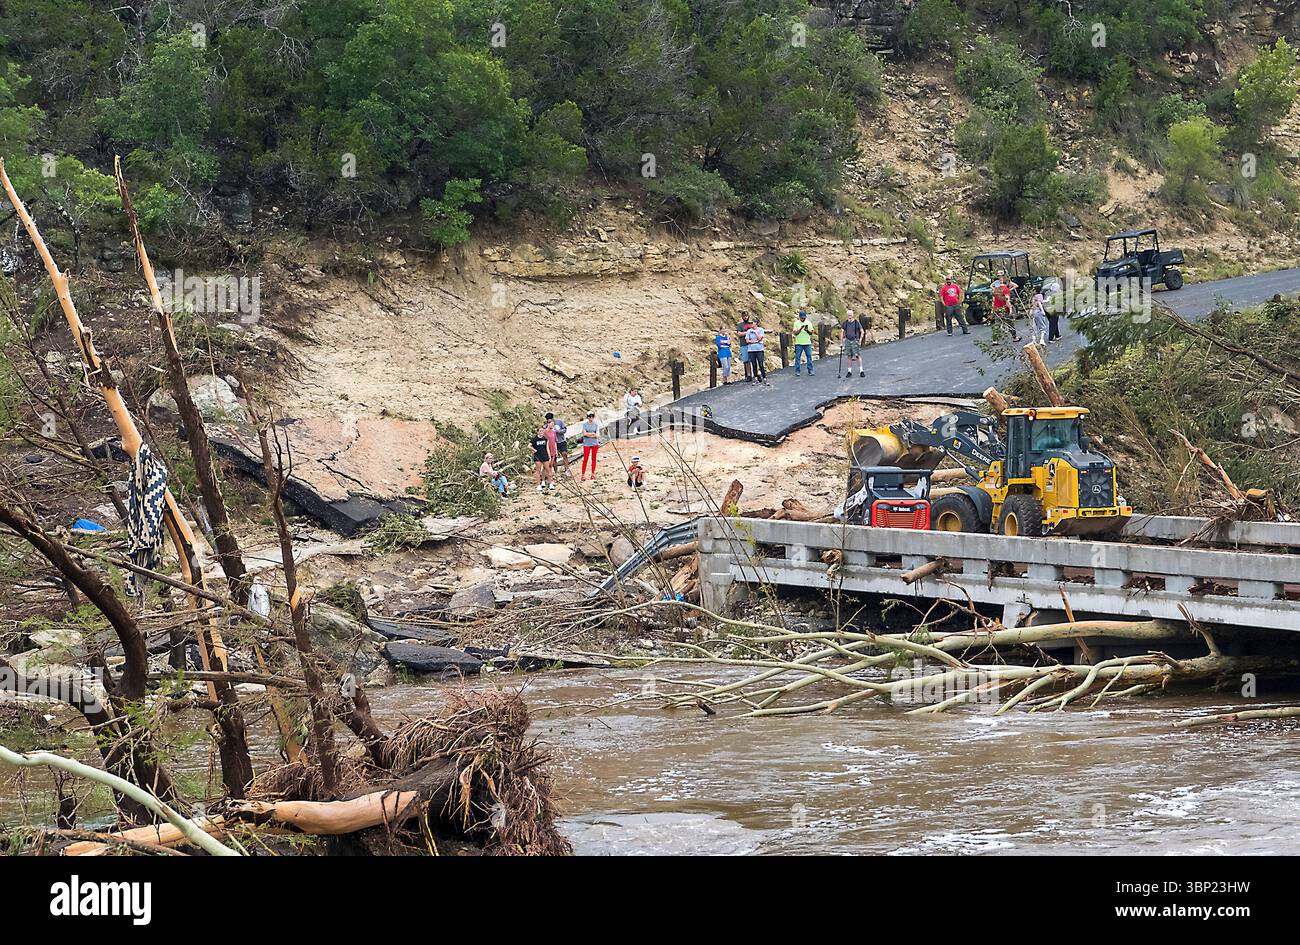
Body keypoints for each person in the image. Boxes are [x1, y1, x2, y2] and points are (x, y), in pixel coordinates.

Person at [842, 310, 865, 378]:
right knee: (849, 356)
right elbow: (842, 332)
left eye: (850, 315)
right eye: (848, 315)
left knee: (857, 355)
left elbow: (862, 331)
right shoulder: (845, 323)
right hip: (848, 341)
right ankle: (849, 371)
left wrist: (860, 340)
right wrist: (842, 342)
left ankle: (861, 371)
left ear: (852, 315)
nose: (849, 316)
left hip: (855, 340)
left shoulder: (856, 322)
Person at [792, 309, 815, 376]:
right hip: (798, 343)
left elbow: (811, 332)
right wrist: (800, 329)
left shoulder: (808, 322)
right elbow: (795, 333)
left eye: (804, 318)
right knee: (798, 357)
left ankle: (810, 370)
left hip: (807, 343)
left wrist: (807, 330)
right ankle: (797, 371)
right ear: (799, 317)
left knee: (809, 357)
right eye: (802, 318)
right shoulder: (796, 323)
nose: (803, 319)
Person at [531, 425, 553, 492]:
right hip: (537, 456)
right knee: (538, 471)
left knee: (548, 469)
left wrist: (549, 455)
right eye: (540, 431)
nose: (541, 432)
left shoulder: (545, 439)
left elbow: (547, 447)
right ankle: (538, 485)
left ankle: (550, 483)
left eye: (542, 431)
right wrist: (533, 450)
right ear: (537, 432)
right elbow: (529, 446)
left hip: (544, 456)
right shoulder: (534, 439)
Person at [745, 319, 768, 383]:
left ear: (756, 323)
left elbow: (759, 339)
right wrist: (754, 342)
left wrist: (755, 332)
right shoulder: (748, 331)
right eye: (749, 323)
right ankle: (756, 378)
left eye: (752, 323)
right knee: (754, 364)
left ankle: (764, 377)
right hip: (751, 350)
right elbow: (747, 341)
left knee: (761, 364)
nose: (750, 324)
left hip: (759, 349)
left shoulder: (760, 330)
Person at [580, 410, 599, 480]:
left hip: (594, 443)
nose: (591, 418)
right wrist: (592, 434)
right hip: (587, 444)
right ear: (587, 417)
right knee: (585, 459)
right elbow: (584, 434)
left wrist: (588, 434)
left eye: (592, 416)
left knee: (593, 458)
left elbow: (597, 435)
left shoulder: (596, 425)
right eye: (589, 416)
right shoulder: (584, 425)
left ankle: (593, 474)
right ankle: (583, 474)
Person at [737, 315, 754, 382]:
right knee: (746, 360)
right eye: (744, 316)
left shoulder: (751, 324)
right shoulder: (740, 325)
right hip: (744, 344)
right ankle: (748, 375)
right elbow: (739, 334)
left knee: (754, 359)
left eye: (746, 316)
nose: (745, 317)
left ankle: (755, 373)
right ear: (742, 317)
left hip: (752, 344)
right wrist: (747, 332)